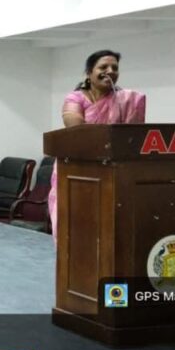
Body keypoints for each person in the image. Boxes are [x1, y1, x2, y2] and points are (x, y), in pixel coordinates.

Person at [48, 50, 146, 235]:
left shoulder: (126, 101)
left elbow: (133, 137)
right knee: (74, 226)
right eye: (103, 67)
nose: (110, 71)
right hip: (76, 167)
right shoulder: (76, 98)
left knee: (107, 227)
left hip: (111, 172)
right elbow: (76, 130)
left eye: (115, 68)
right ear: (89, 73)